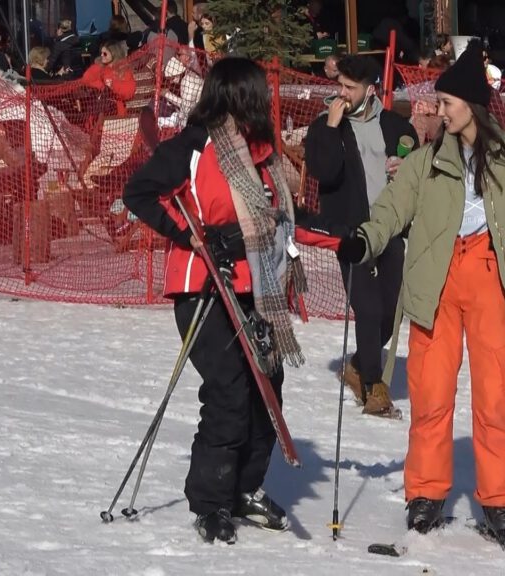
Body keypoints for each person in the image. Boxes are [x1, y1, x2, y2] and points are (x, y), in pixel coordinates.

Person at [334, 42, 505, 545]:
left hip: (493, 279)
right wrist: (363, 241)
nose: (439, 111)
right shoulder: (426, 162)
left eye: (446, 103)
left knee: (494, 402)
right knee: (431, 395)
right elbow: (391, 211)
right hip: (435, 282)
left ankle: (501, 501)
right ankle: (425, 492)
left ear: (471, 106)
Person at [123, 57, 305, 545]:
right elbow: (140, 192)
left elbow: (275, 217)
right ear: (237, 96)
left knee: (268, 386)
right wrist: (194, 235)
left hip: (254, 286)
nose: (266, 102)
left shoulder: (261, 152)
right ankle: (210, 500)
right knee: (228, 393)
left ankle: (245, 487)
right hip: (203, 285)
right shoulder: (195, 144)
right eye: (259, 94)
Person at [304, 55, 418, 418]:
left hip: (390, 229)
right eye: (341, 86)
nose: (343, 93)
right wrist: (331, 129)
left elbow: (417, 166)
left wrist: (407, 167)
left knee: (388, 313)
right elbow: (325, 172)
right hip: (351, 234)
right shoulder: (326, 125)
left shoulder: (396, 127)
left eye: (350, 88)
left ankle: (356, 364)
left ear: (370, 90)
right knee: (366, 308)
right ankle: (373, 385)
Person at [81, 40, 136, 116]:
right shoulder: (98, 67)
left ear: (113, 54)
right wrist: (102, 86)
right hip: (99, 108)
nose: (102, 55)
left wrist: (113, 87)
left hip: (116, 110)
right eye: (101, 53)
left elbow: (128, 93)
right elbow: (86, 79)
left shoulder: (123, 70)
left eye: (105, 53)